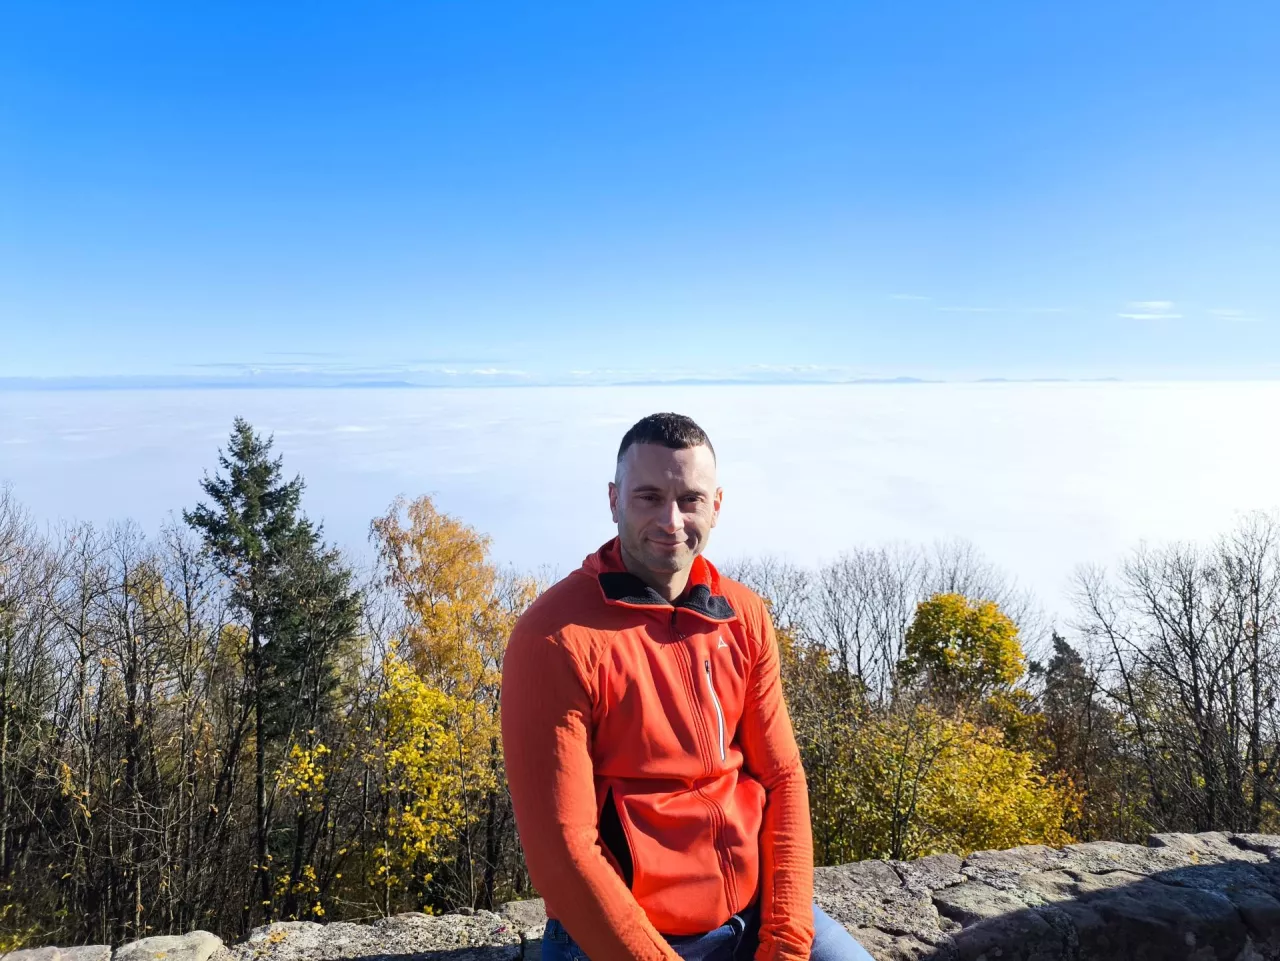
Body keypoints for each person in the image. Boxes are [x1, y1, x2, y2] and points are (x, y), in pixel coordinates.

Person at [501, 413, 875, 961]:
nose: (671, 521)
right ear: (614, 500)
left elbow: (782, 777)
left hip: (755, 913)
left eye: (690, 499)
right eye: (648, 497)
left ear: (716, 506)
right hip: (619, 938)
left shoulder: (742, 614)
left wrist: (786, 944)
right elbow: (563, 850)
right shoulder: (557, 636)